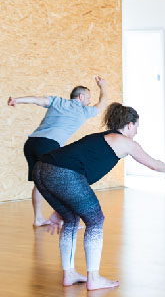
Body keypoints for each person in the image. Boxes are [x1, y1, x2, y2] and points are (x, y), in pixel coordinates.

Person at [33, 103, 165, 290]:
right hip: (63, 173)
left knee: (70, 218)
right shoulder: (126, 143)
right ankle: (94, 278)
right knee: (95, 220)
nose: (136, 131)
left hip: (41, 169)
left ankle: (69, 274)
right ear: (129, 125)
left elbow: (70, 170)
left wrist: (60, 209)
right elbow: (153, 164)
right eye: (136, 126)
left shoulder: (99, 138)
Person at [8, 78, 108, 227]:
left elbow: (37, 100)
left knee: (40, 182)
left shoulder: (58, 101)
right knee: (61, 181)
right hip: (48, 144)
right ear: (81, 97)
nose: (90, 101)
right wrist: (103, 86)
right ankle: (67, 220)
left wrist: (17, 100)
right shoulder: (83, 111)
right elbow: (102, 104)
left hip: (31, 143)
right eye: (88, 97)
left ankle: (38, 219)